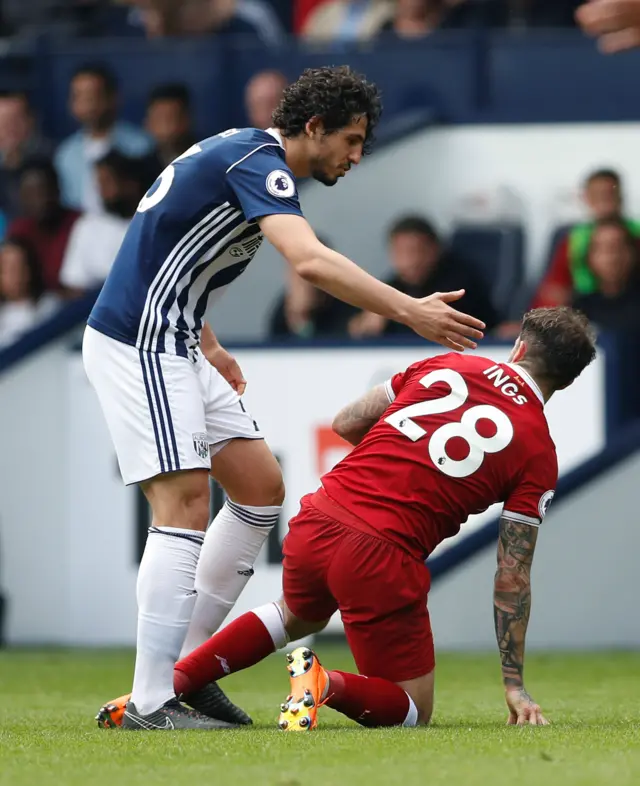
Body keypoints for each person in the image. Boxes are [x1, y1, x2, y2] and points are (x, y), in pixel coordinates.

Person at [86, 64, 485, 732]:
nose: (356, 156)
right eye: (351, 140)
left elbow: (166, 243)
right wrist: (410, 311)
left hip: (177, 339)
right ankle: (151, 701)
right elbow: (310, 261)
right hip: (141, 343)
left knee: (259, 486)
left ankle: (187, 670)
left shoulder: (237, 152)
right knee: (182, 504)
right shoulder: (261, 164)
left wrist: (206, 340)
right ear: (314, 127)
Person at [98, 306, 596, 731]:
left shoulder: (447, 364)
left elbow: (346, 422)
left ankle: (155, 693)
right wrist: (515, 684)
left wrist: (398, 463)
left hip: (321, 516)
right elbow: (512, 575)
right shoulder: (538, 452)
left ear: (519, 350)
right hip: (382, 555)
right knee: (413, 712)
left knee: (299, 613)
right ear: (566, 381)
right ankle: (322, 682)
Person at [349, 216, 499, 338]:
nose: (408, 261)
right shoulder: (391, 285)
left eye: (414, 251)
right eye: (400, 252)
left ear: (434, 250)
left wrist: (394, 312)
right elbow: (357, 328)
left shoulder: (459, 283)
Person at [55, 63, 152, 212]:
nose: (87, 105)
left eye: (93, 96)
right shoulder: (65, 154)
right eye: (79, 97)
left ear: (113, 97)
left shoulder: (140, 146)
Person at [59, 152, 148, 294]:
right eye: (99, 183)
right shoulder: (86, 226)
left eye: (108, 182)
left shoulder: (149, 225)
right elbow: (73, 285)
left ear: (130, 183)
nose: (102, 190)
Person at [7, 160, 81, 292]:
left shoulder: (80, 225)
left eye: (43, 191)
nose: (39, 199)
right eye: (30, 193)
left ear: (57, 190)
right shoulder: (18, 230)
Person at [0, 90, 52, 218]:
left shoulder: (56, 160)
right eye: (3, 122)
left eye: (16, 120)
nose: (10, 128)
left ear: (31, 121)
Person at [0, 237, 60, 348]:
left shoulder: (49, 304)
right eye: (7, 269)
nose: (14, 275)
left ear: (29, 270)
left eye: (18, 266)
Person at [145, 84, 197, 173]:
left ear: (187, 119)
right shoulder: (139, 172)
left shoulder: (205, 161)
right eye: (159, 118)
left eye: (171, 118)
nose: (165, 127)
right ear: (148, 123)